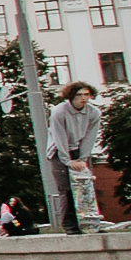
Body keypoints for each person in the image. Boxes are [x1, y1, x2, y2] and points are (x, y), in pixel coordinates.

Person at [47, 82, 102, 233]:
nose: (83, 98)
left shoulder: (94, 113)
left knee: (85, 187)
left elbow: (90, 137)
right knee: (66, 189)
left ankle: (90, 225)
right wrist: (67, 161)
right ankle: (70, 226)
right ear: (71, 96)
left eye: (86, 94)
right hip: (58, 152)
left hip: (78, 150)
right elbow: (59, 137)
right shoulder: (59, 111)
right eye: (79, 95)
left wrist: (82, 159)